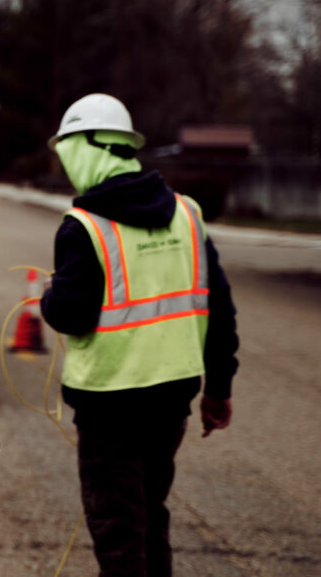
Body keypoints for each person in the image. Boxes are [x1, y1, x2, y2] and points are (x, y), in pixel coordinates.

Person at [40, 93, 239, 577]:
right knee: (149, 515)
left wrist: (50, 296)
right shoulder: (187, 214)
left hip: (109, 402)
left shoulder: (83, 226)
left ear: (83, 150)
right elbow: (220, 309)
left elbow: (71, 315)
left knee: (118, 528)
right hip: (172, 398)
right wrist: (218, 390)